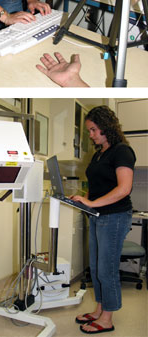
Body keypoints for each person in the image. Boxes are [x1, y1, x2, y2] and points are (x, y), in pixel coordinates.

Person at [70, 106, 136, 334]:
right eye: (89, 130)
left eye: (93, 130)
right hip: (98, 216)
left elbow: (124, 188)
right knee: (97, 268)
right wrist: (84, 200)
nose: (91, 135)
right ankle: (99, 309)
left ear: (106, 127)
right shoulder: (99, 153)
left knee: (106, 270)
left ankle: (107, 318)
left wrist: (91, 204)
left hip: (115, 216)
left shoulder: (122, 151)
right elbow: (97, 186)